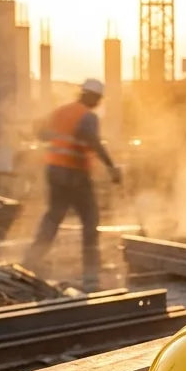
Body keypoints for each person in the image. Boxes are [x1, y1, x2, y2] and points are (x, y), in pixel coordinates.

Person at [24, 78, 121, 291]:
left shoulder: (61, 111)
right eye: (98, 99)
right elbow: (93, 142)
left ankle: (30, 263)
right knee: (90, 221)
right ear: (93, 97)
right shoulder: (88, 117)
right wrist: (112, 168)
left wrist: (57, 137)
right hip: (75, 173)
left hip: (54, 171)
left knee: (53, 217)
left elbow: (39, 132)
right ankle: (91, 277)